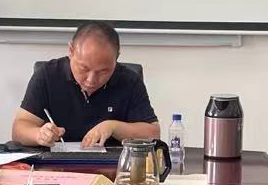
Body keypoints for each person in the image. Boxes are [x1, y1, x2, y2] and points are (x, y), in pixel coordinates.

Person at [12, 22, 159, 148]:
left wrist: (113, 127)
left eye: (103, 71)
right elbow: (19, 130)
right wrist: (38, 134)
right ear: (71, 51)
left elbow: (153, 134)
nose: (91, 80)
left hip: (112, 166)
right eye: (84, 69)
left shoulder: (129, 81)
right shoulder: (47, 75)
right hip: (56, 164)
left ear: (116, 58)